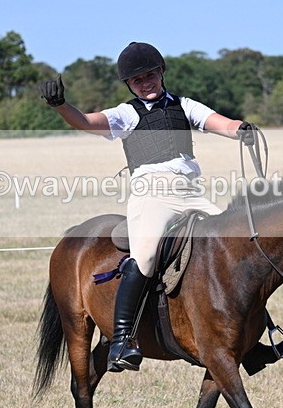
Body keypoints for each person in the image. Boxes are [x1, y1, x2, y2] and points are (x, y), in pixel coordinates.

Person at [39, 41, 254, 372]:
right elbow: (85, 121)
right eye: (137, 80)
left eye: (150, 76)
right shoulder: (127, 114)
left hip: (191, 193)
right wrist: (60, 105)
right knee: (147, 255)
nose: (145, 83)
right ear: (130, 84)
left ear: (161, 73)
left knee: (236, 245)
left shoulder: (184, 106)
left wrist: (240, 129)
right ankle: (123, 340)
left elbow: (219, 123)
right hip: (152, 195)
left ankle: (254, 339)